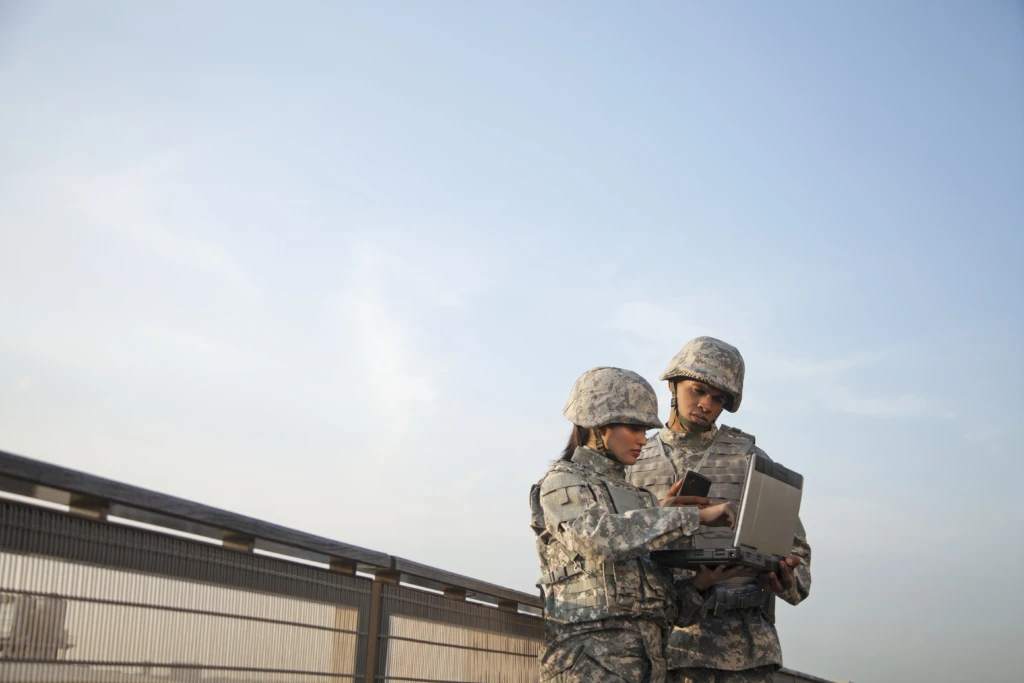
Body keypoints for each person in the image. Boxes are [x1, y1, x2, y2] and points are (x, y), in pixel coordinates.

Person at [531, 366, 738, 683]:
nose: (644, 439)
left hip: (646, 667)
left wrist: (701, 584)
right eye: (634, 428)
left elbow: (665, 608)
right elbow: (599, 539)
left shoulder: (640, 500)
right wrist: (691, 517)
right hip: (588, 666)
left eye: (646, 429)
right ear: (599, 426)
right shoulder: (563, 483)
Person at [625, 337, 812, 683]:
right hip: (660, 652)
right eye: (697, 391)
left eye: (718, 399)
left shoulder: (749, 459)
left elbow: (798, 563)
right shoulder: (634, 463)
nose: (706, 405)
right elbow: (615, 549)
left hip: (743, 651)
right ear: (673, 384)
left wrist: (784, 577)